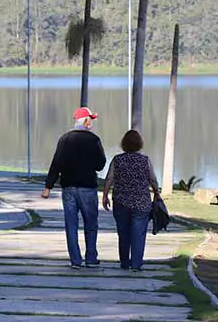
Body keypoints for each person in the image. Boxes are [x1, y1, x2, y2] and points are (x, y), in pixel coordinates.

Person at [41, 107, 107, 270]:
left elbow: (56, 163)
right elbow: (101, 164)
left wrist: (48, 186)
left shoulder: (65, 139)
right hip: (87, 188)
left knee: (71, 224)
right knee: (90, 223)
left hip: (68, 188)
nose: (91, 122)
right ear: (85, 121)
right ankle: (91, 258)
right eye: (90, 119)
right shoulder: (94, 140)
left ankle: (75, 260)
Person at [102, 130, 161, 272]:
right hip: (141, 203)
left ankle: (124, 262)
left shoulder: (117, 160)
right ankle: (136, 264)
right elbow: (152, 179)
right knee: (139, 234)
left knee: (123, 234)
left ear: (124, 144)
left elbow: (109, 178)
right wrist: (157, 193)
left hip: (121, 202)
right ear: (139, 144)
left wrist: (105, 195)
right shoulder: (145, 160)